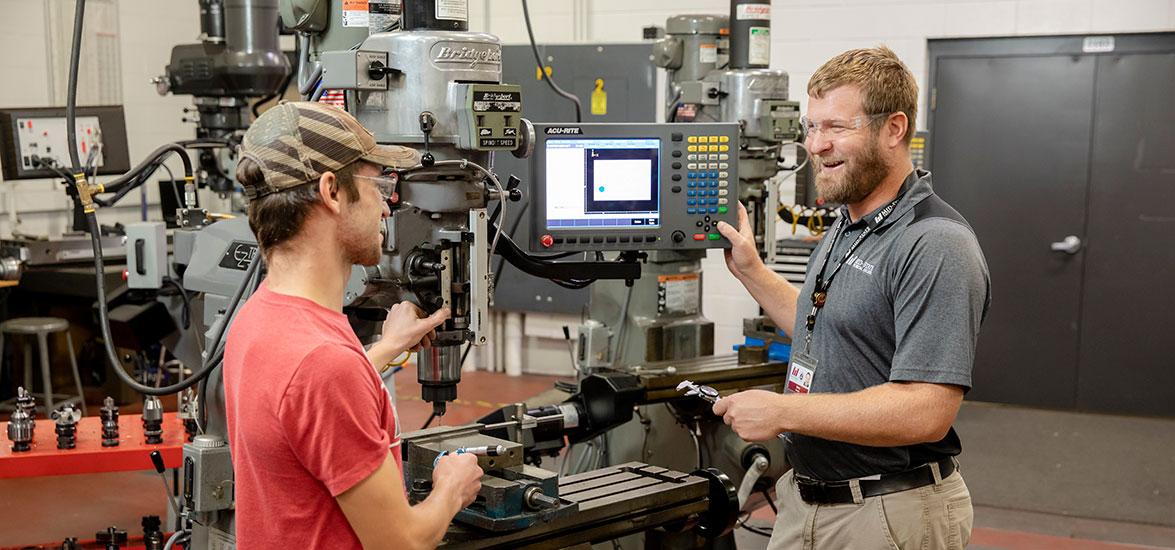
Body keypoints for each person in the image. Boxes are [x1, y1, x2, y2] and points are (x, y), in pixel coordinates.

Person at [713, 47, 991, 549]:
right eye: (811, 127)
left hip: (887, 512)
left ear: (894, 128)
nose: (816, 145)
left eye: (837, 127)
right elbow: (821, 324)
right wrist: (751, 271)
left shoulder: (935, 244)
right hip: (807, 500)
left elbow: (925, 409)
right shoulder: (851, 222)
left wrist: (782, 412)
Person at [224, 101, 484, 549]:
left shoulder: (258, 318)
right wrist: (452, 487)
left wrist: (384, 349)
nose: (388, 206)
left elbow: (303, 403)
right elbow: (403, 542)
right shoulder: (325, 366)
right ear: (332, 192)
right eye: (378, 183)